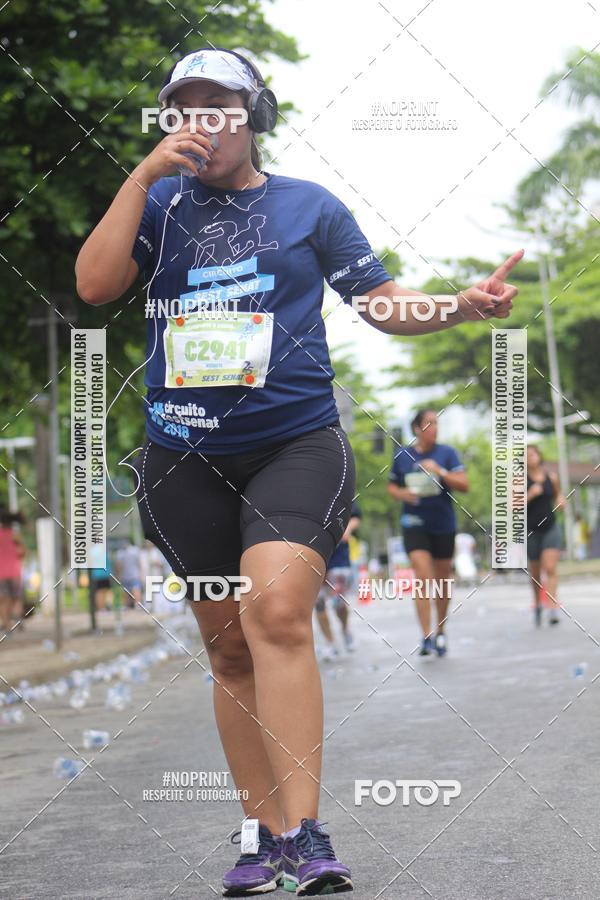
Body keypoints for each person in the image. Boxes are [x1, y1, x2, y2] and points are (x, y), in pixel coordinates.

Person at [75, 46, 522, 896]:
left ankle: (307, 833)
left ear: (256, 115)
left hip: (297, 444)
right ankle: (260, 836)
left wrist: (457, 306)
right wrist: (139, 175)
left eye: (222, 105)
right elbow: (95, 286)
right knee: (228, 649)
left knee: (276, 611)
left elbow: (380, 303)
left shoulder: (308, 207)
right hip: (182, 457)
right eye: (185, 107)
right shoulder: (157, 205)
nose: (202, 120)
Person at [387, 410, 469, 657]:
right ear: (416, 429)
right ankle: (426, 637)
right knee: (423, 576)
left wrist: (440, 471)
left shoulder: (447, 453)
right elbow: (392, 486)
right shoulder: (403, 454)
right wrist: (402, 494)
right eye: (429, 424)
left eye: (437, 423)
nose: (435, 428)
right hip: (414, 522)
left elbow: (464, 485)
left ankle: (441, 631)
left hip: (443, 523)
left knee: (442, 580)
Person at [315, 500, 361, 658]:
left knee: (338, 603)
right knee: (318, 602)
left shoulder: (337, 486)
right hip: (313, 554)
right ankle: (330, 643)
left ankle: (345, 629)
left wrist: (347, 530)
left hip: (338, 557)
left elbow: (355, 515)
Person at [526, 445, 565, 626]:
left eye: (532, 454)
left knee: (550, 568)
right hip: (531, 530)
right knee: (535, 573)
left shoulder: (551, 477)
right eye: (526, 456)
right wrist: (530, 494)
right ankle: (538, 604)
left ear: (539, 456)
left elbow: (559, 496)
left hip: (550, 527)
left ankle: (552, 608)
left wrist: (560, 501)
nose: (530, 457)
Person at [0, 509, 25, 633]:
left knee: (4, 600)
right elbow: (22, 553)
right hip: (15, 573)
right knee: (16, 599)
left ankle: (6, 625)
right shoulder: (15, 536)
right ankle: (18, 621)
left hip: (1, 574)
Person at [114, 541, 143, 608]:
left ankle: (127, 606)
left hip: (125, 575)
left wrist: (118, 575)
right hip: (135, 574)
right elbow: (140, 563)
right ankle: (137, 605)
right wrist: (141, 573)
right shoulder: (135, 550)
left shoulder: (120, 553)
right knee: (136, 589)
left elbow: (118, 566)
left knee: (127, 591)